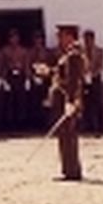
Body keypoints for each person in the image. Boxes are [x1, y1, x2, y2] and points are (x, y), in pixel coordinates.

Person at [36, 24, 86, 181]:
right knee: (64, 135)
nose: (59, 38)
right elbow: (62, 75)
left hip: (67, 99)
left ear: (70, 37)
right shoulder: (68, 55)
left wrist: (70, 101)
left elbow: (73, 81)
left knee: (68, 135)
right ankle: (68, 169)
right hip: (63, 98)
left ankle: (72, 171)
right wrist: (48, 71)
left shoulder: (74, 55)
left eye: (61, 35)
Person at [81, 29, 103, 135]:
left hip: (95, 79)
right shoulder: (81, 52)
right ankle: (88, 125)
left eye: (89, 39)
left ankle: (99, 126)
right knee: (85, 102)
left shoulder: (100, 51)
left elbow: (101, 66)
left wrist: (92, 74)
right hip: (84, 79)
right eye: (85, 39)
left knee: (97, 102)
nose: (87, 42)